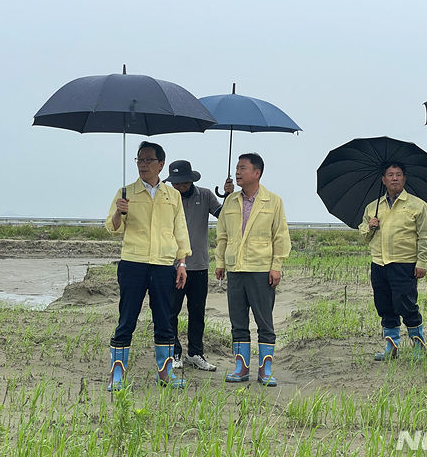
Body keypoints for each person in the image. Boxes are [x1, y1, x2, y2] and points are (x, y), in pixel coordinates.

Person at [105, 141, 191, 390]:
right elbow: (112, 229)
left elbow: (180, 230)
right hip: (133, 263)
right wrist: (118, 213)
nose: (143, 165)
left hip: (164, 265)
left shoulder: (172, 195)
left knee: (164, 319)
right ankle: (117, 374)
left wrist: (182, 262)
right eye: (139, 160)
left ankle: (165, 373)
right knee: (127, 318)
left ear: (161, 164)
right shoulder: (125, 192)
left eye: (148, 160)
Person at [215, 153, 291, 387]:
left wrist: (276, 266)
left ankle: (265, 369)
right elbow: (222, 235)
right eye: (237, 168)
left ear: (257, 173)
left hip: (260, 270)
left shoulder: (274, 201)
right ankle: (241, 368)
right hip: (235, 269)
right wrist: (220, 262)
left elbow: (281, 236)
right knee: (238, 321)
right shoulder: (230, 201)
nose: (238, 172)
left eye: (243, 168)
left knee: (264, 321)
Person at [164, 160, 234, 372]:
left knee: (197, 313)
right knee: (170, 312)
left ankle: (195, 353)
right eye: (175, 183)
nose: (179, 187)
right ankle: (174, 352)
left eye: (183, 183)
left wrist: (229, 196)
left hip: (199, 266)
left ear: (191, 180)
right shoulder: (166, 197)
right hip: (172, 265)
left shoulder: (205, 196)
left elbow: (225, 217)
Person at [358, 162, 427, 362]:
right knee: (384, 305)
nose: (394, 178)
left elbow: (426, 236)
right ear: (383, 180)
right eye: (390, 175)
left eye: (398, 174)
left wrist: (422, 262)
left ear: (404, 178)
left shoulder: (418, 205)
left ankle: (419, 344)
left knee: (406, 304)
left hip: (405, 263)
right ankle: (392, 346)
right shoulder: (373, 207)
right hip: (379, 263)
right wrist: (370, 227)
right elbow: (364, 237)